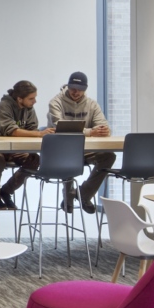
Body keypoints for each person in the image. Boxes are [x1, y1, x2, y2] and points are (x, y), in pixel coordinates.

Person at [46, 71, 116, 214]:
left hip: (84, 150)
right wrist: (90, 132)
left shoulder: (92, 105)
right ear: (68, 86)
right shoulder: (56, 102)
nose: (76, 92)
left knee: (109, 156)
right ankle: (68, 197)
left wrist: (104, 130)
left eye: (80, 89)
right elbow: (60, 127)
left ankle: (83, 194)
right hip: (61, 152)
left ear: (85, 89)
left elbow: (102, 125)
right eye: (73, 88)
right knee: (68, 158)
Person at [0, 80, 50, 210]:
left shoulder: (29, 109)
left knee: (34, 159)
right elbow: (12, 131)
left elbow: (32, 129)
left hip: (16, 148)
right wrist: (39, 134)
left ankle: (6, 191)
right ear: (19, 98)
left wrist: (36, 135)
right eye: (31, 98)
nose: (35, 101)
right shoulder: (3, 106)